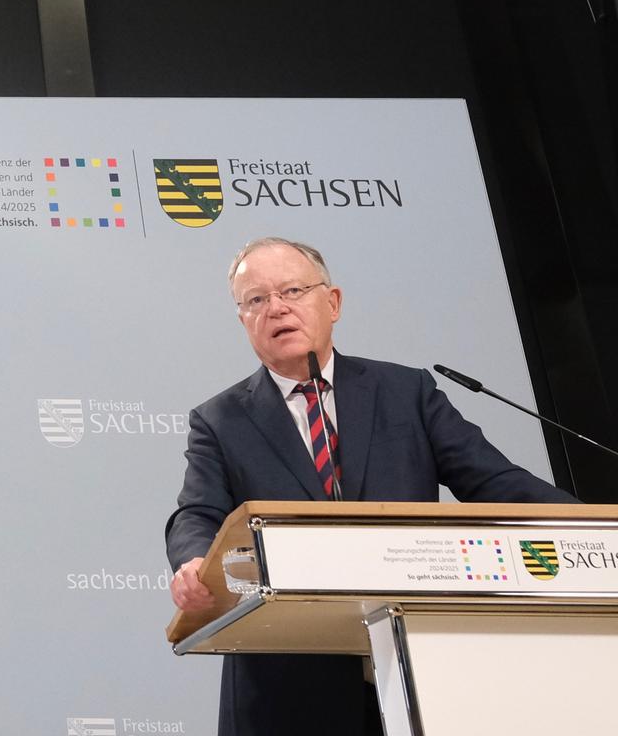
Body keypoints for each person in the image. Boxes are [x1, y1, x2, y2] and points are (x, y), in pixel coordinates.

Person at [165, 237, 572, 736]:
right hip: (288, 689)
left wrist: (589, 528)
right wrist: (193, 561)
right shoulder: (220, 419)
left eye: (292, 290)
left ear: (331, 302)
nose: (276, 309)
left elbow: (494, 481)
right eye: (256, 300)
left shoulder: (406, 392)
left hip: (421, 670)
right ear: (243, 320)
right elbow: (197, 512)